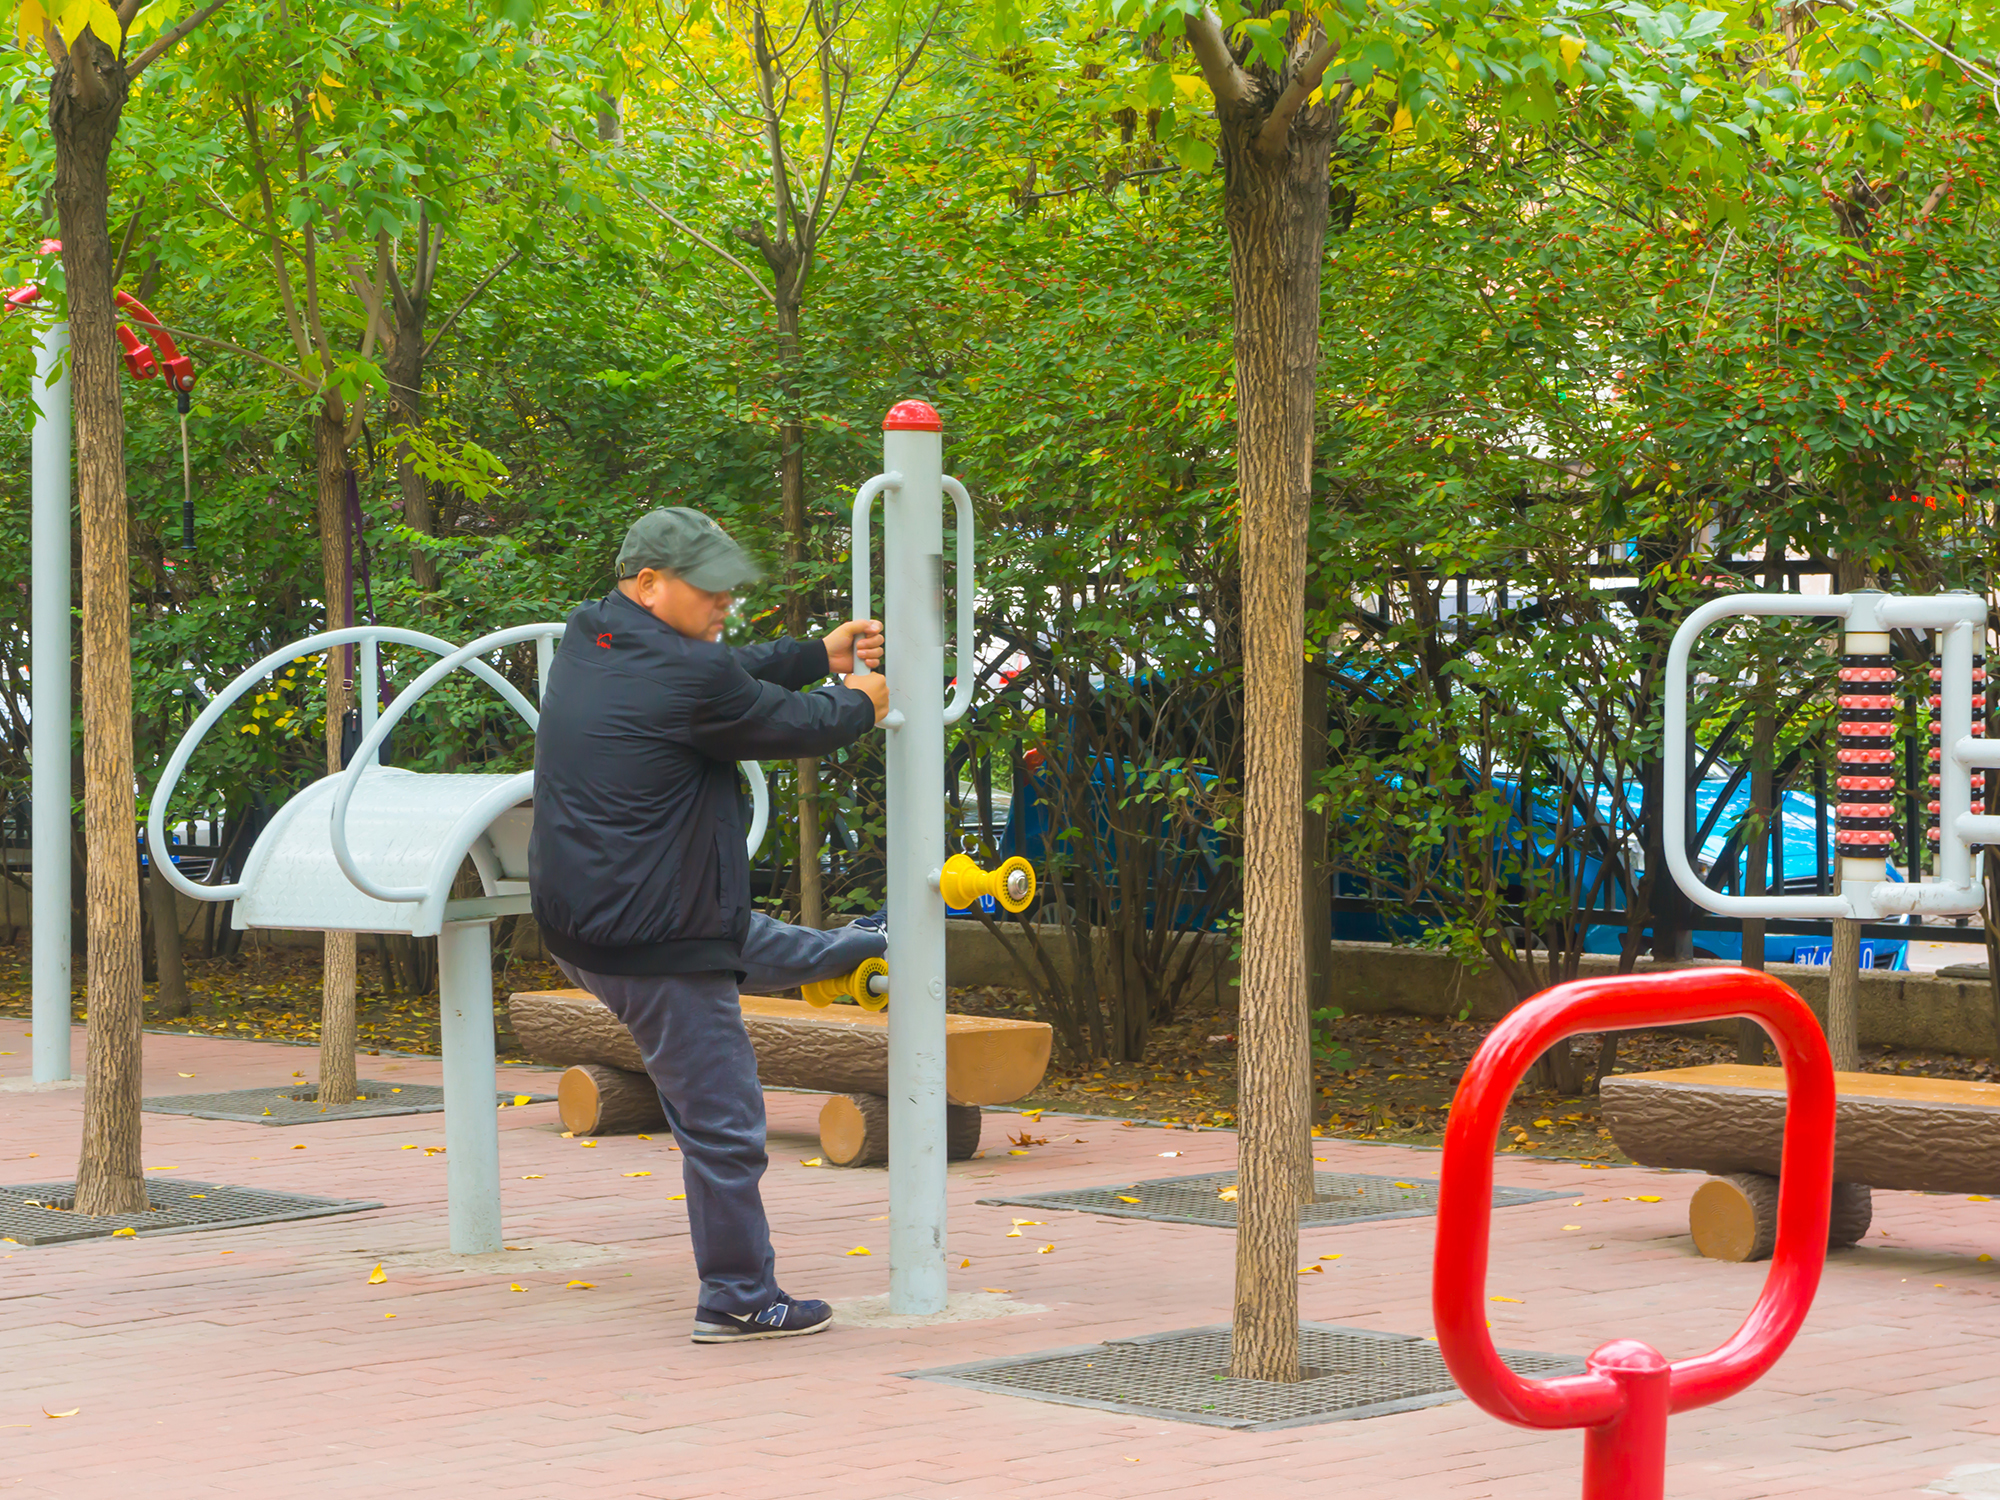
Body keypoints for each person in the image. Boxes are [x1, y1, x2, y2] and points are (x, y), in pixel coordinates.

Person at [529, 506, 891, 1343]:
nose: (726, 598)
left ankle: (866, 946)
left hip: (587, 926)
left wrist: (815, 654)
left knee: (743, 943)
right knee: (726, 1124)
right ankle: (736, 1297)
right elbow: (795, 723)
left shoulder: (593, 636)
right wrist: (857, 698)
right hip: (657, 943)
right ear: (650, 584)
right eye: (709, 586)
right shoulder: (686, 679)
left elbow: (725, 668)